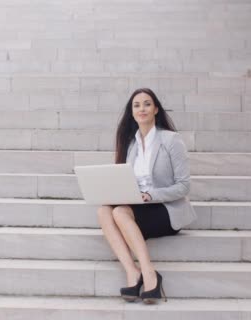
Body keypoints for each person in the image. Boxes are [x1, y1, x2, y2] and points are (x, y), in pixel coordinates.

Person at [97, 88, 196, 304]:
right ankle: (132, 272)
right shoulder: (130, 144)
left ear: (156, 109)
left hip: (167, 209)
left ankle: (149, 273)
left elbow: (183, 186)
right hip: (139, 204)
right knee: (104, 210)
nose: (142, 108)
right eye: (137, 105)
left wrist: (150, 196)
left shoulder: (171, 140)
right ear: (132, 113)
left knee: (121, 214)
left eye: (147, 104)